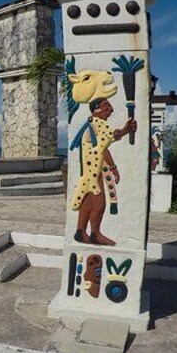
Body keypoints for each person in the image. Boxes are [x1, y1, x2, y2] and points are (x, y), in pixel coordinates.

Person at [70, 99, 136, 246]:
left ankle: (80, 231)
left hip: (91, 172)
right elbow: (112, 136)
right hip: (93, 174)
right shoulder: (96, 123)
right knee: (99, 205)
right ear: (96, 109)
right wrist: (126, 130)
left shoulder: (93, 125)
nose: (111, 110)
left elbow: (103, 148)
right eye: (107, 106)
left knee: (87, 202)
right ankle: (95, 234)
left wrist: (113, 167)